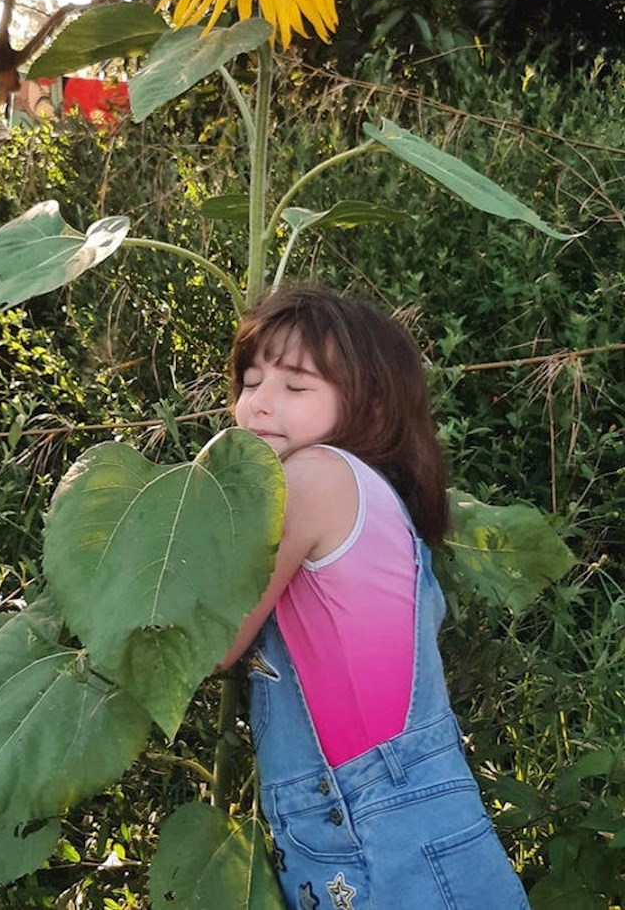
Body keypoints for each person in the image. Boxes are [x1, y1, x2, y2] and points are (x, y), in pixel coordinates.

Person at [220, 285, 529, 910]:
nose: (259, 405)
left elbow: (216, 639)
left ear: (373, 405)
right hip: (396, 825)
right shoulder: (372, 494)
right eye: (251, 382)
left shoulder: (314, 478)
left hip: (377, 829)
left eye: (296, 387)